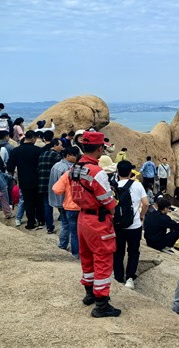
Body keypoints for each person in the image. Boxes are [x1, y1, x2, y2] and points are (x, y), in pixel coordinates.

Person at [68, 131, 120, 318]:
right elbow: (108, 201)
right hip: (97, 221)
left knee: (87, 256)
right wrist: (113, 213)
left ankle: (89, 293)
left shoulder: (75, 168)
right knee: (103, 259)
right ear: (99, 148)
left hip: (82, 218)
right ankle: (101, 304)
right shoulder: (97, 172)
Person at [113, 160, 149, 290]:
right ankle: (129, 278)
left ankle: (118, 276)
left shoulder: (114, 185)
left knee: (118, 252)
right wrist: (141, 216)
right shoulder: (138, 185)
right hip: (134, 226)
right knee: (133, 252)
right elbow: (146, 203)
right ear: (130, 172)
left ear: (117, 172)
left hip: (117, 225)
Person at [6, 130, 43, 230]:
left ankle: (31, 222)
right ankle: (40, 220)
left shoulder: (16, 150)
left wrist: (13, 175)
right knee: (38, 201)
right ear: (33, 138)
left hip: (24, 180)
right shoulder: (39, 150)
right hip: (37, 179)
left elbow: (10, 166)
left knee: (28, 202)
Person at [50, 147, 80, 257]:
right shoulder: (69, 169)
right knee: (76, 232)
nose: (76, 158)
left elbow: (56, 188)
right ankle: (78, 253)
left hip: (64, 203)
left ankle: (64, 246)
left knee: (66, 225)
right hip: (76, 205)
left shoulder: (56, 166)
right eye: (74, 155)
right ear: (67, 155)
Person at [38, 138, 64, 234]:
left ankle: (49, 227)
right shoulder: (56, 156)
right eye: (60, 145)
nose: (62, 147)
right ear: (55, 145)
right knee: (60, 203)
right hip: (53, 184)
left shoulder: (42, 154)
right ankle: (64, 221)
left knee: (47, 205)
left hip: (42, 183)